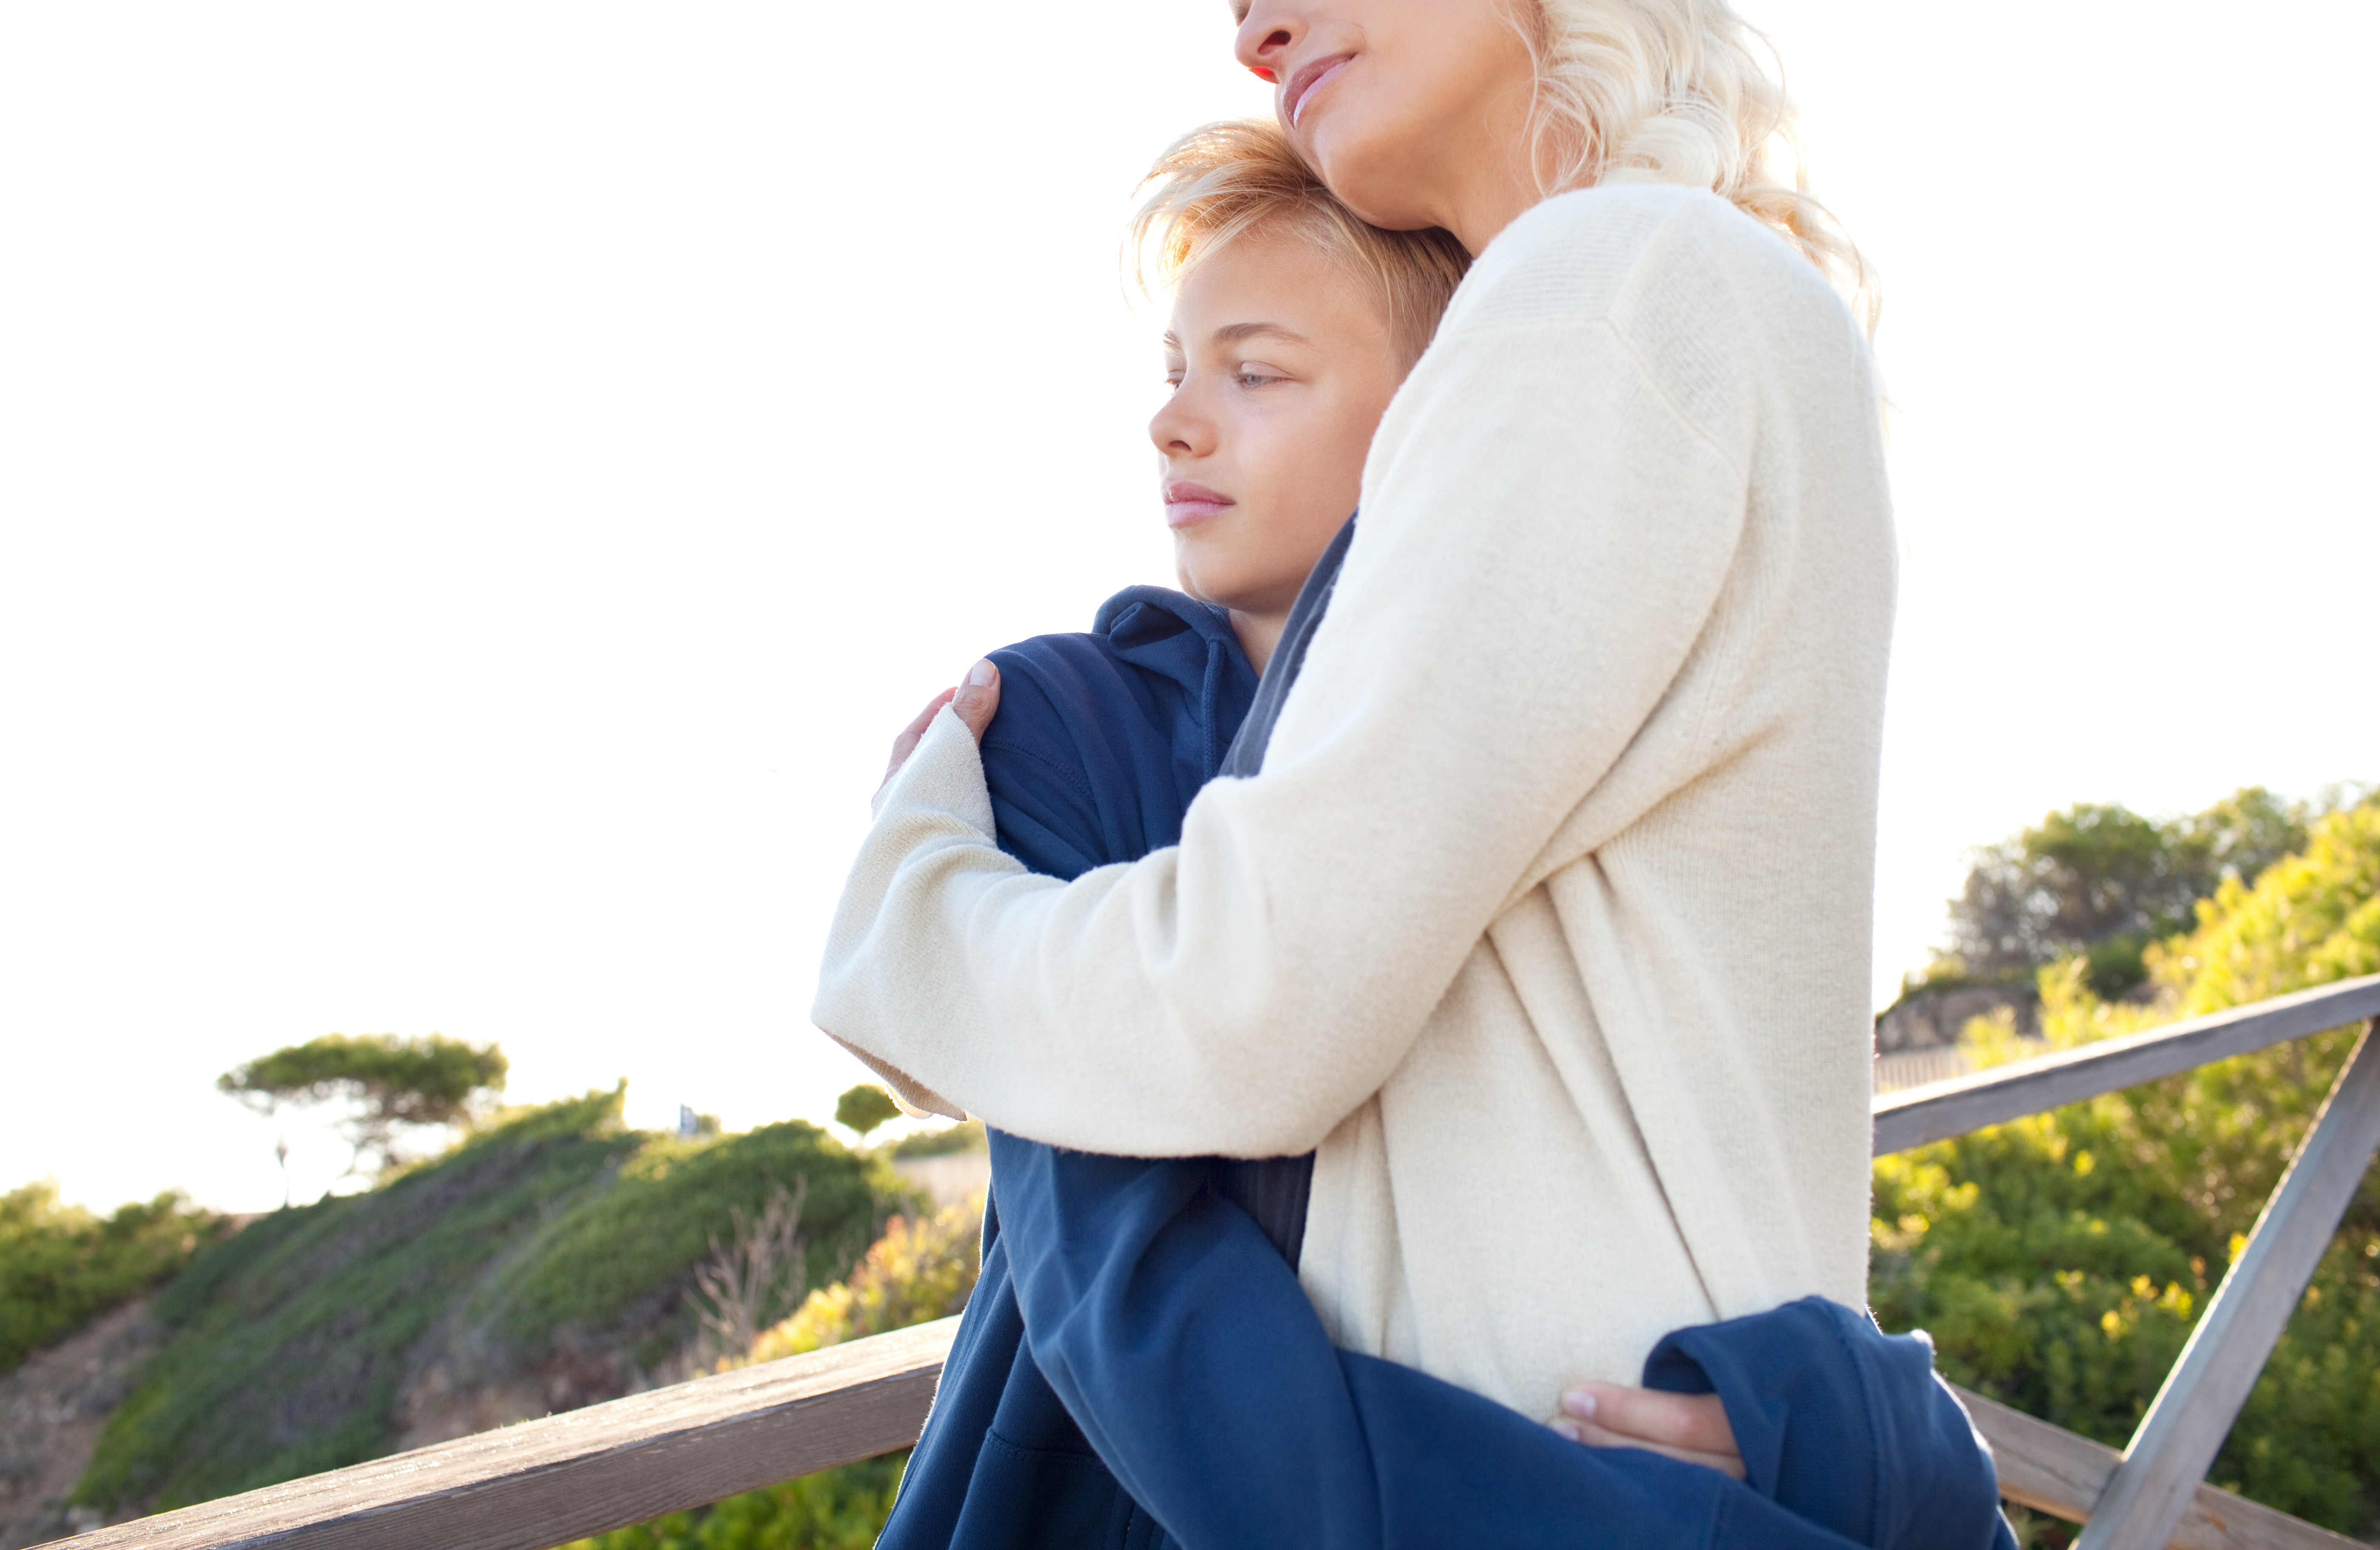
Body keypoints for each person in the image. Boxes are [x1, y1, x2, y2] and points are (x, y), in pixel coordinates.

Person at [822, 0, 1991, 1539]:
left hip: (1562, 1483)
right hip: (1627, 1467)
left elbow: (1253, 998)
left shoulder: (1608, 288)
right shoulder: (1692, 301)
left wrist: (916, 891)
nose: (1257, 31)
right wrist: (1857, 1437)